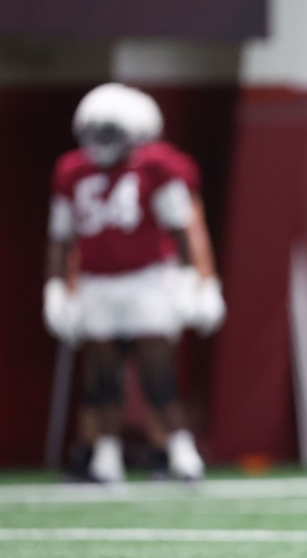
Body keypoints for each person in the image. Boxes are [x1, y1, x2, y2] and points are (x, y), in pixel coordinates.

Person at [43, 83, 225, 482]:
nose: (103, 142)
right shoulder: (71, 171)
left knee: (157, 374)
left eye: (112, 131)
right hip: (97, 283)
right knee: (102, 377)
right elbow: (61, 237)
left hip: (146, 280)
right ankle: (105, 460)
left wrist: (192, 278)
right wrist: (55, 288)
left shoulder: (156, 168)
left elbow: (181, 228)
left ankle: (182, 453)